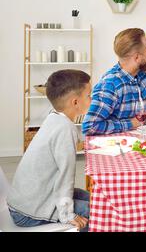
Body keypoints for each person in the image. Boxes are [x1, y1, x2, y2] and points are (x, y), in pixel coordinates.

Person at [7, 70, 91, 232]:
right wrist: (67, 215)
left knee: (89, 197)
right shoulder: (66, 129)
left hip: (25, 201)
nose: (91, 98)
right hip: (29, 212)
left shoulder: (54, 117)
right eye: (89, 95)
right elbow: (65, 177)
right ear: (75, 102)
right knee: (99, 212)